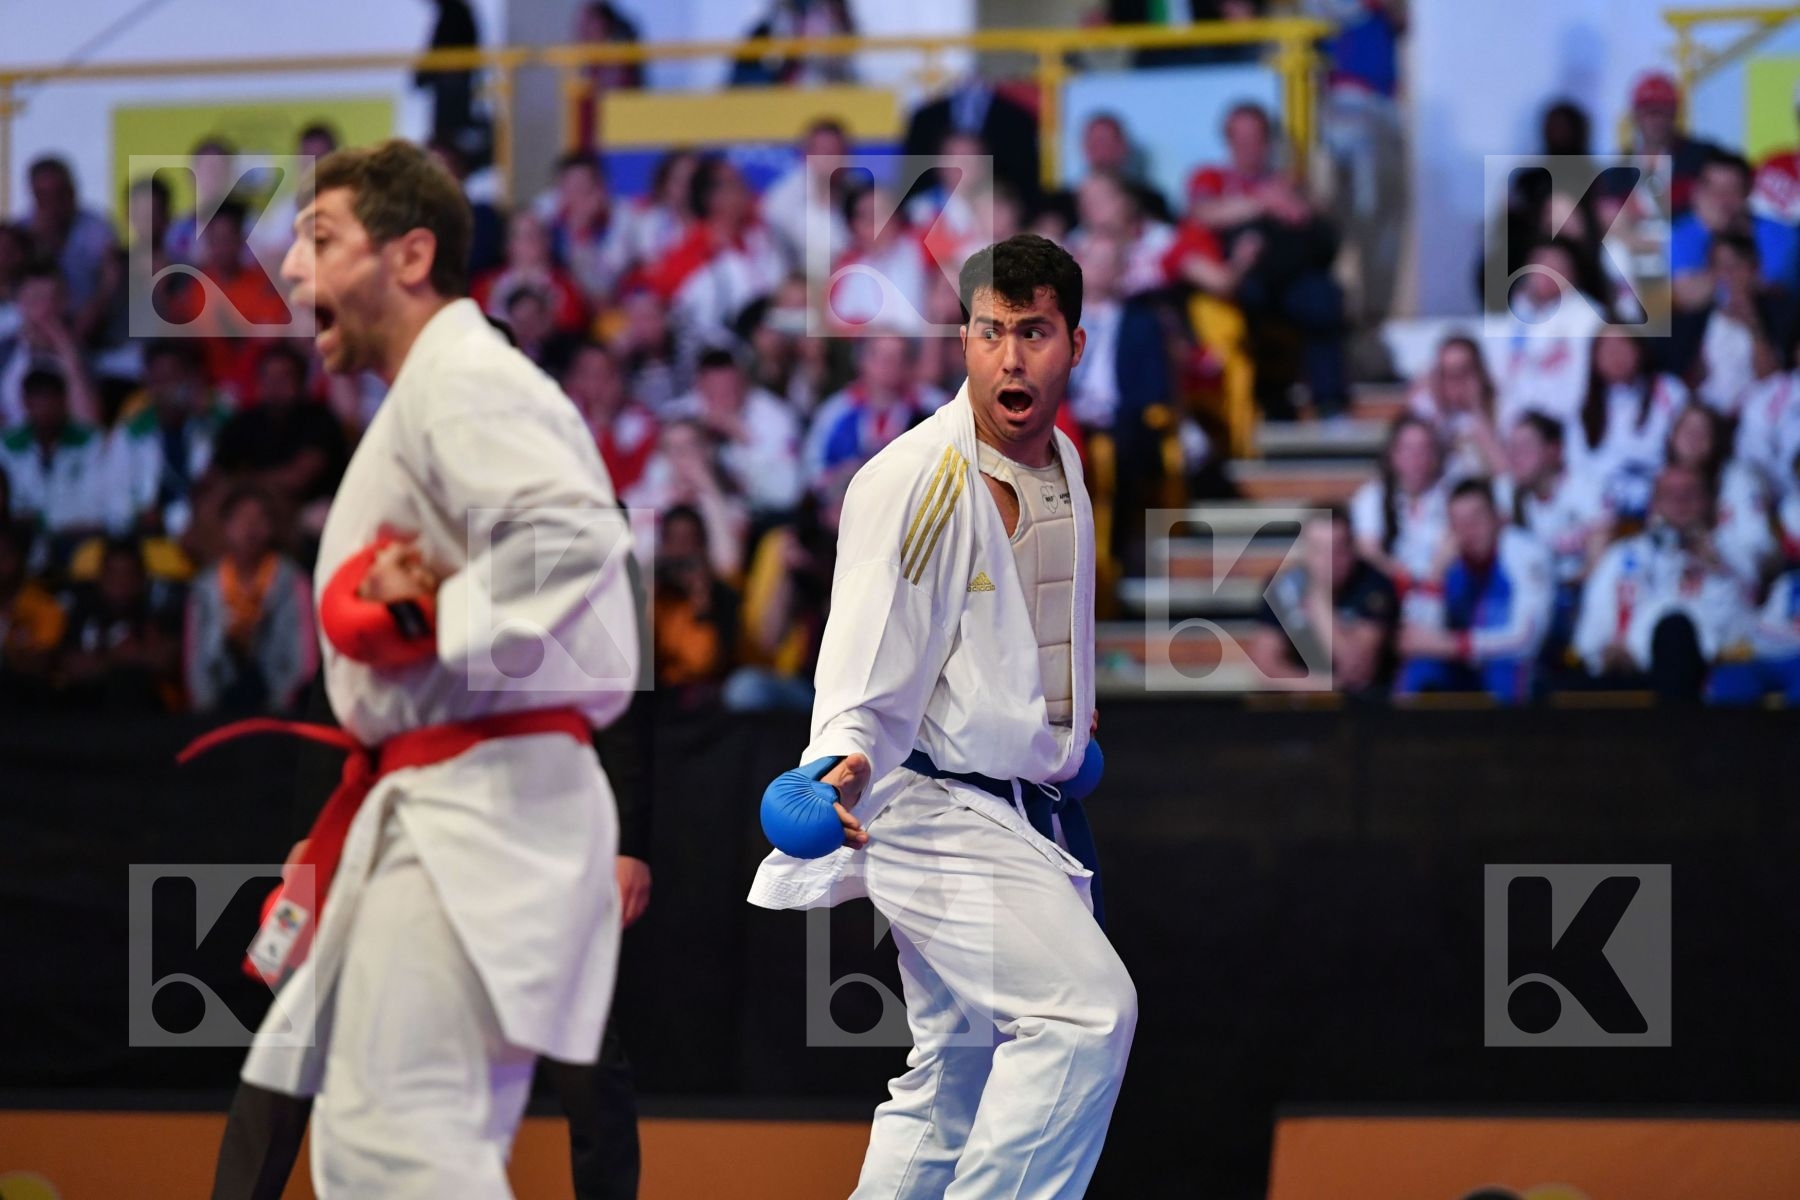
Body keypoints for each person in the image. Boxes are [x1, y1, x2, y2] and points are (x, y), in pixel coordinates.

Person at [202, 138, 639, 1196]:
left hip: (479, 800)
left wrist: (427, 611)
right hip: (448, 792)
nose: (292, 272)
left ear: (410, 256)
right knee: (381, 1141)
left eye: (319, 240)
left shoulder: (464, 375)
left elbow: (576, 533)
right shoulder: (432, 388)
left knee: (398, 1142)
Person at [750, 233, 1134, 1198]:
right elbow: (870, 653)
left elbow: (1034, 635)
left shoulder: (1068, 470)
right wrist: (837, 757)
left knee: (952, 1073)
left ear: (1075, 346)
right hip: (929, 807)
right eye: (991, 331)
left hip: (1015, 807)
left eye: (1035, 333)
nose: (1011, 356)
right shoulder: (917, 477)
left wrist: (1060, 737)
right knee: (1085, 1014)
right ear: (962, 339)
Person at [1572, 464, 1754, 701]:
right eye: (1669, 495)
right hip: (1632, 672)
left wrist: (1716, 565)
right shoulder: (1623, 555)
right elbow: (1591, 632)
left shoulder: (1728, 553)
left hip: (1708, 672)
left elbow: (1746, 628)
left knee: (1676, 632)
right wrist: (1605, 652)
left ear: (1708, 502)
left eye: (1690, 494)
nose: (1680, 502)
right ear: (1653, 505)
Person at [1395, 478, 1554, 705]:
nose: (1469, 530)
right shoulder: (1439, 558)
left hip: (1513, 666)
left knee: (1508, 671)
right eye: (1458, 522)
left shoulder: (1526, 554)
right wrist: (1435, 578)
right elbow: (1415, 639)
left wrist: (1455, 645)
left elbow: (1527, 640)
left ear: (1498, 518)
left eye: (1477, 518)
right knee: (1419, 669)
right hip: (1461, 665)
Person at [183, 485, 315, 713]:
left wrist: (284, 705)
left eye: (260, 519)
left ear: (272, 527)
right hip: (217, 710)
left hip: (281, 708)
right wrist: (205, 713)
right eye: (241, 519)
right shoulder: (204, 588)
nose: (250, 528)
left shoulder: (293, 581)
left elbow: (306, 659)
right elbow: (195, 661)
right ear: (225, 526)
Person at [1245, 506, 1398, 693]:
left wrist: (1320, 603)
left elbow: (1358, 672)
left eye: (1337, 549)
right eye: (1318, 549)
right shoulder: (1283, 587)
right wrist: (1324, 687)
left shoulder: (1374, 586)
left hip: (1363, 705)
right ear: (1305, 551)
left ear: (1352, 550)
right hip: (1304, 699)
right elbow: (1264, 666)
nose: (1328, 560)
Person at [1349, 414, 1452, 591]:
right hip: (1390, 588)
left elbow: (1454, 543)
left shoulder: (1451, 494)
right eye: (1408, 449)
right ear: (1393, 455)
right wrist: (1406, 581)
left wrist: (1430, 584)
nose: (1416, 458)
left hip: (1441, 585)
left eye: (1424, 449)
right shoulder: (1372, 495)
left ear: (1435, 456)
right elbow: (1367, 549)